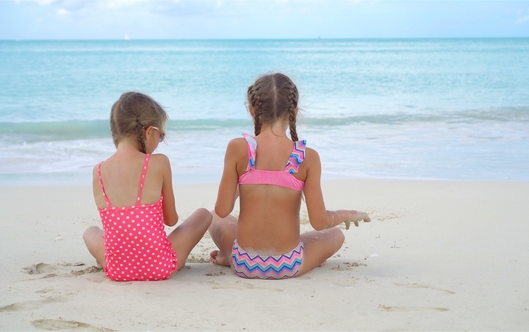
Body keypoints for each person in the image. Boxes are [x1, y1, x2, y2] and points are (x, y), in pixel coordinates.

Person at [209, 73, 371, 280]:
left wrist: (244, 185)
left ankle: (230, 257)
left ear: (251, 110)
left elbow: (223, 210)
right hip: (288, 265)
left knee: (213, 217)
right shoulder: (307, 157)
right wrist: (348, 213)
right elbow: (320, 222)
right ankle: (293, 251)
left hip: (244, 264)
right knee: (336, 235)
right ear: (294, 112)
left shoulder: (238, 148)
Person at [83, 92, 212, 281]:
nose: (159, 143)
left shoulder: (98, 171)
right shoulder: (158, 163)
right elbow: (171, 219)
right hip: (160, 266)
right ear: (149, 131)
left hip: (117, 270)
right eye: (160, 137)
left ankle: (111, 259)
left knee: (90, 232)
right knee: (204, 214)